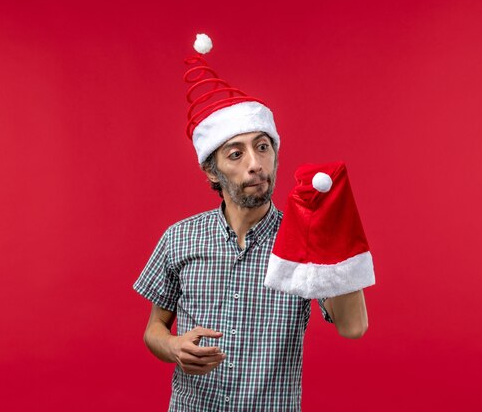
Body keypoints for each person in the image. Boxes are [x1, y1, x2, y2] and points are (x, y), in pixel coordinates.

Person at [133, 34, 370, 412]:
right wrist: (174, 347)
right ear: (212, 172)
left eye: (263, 147)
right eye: (236, 153)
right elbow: (153, 331)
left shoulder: (302, 243)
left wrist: (333, 232)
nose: (255, 163)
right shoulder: (179, 238)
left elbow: (353, 327)